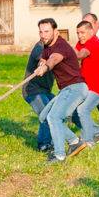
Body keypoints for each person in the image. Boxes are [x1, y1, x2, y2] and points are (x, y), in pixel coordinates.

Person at [32, 18, 87, 163]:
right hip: (65, 90)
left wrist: (45, 67)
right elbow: (45, 58)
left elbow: (54, 59)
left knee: (54, 118)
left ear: (56, 31)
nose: (43, 35)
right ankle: (75, 142)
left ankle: (59, 155)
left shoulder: (60, 46)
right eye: (41, 32)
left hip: (75, 87)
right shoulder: (47, 45)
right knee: (44, 117)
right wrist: (40, 64)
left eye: (47, 31)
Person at [73, 20, 99, 148]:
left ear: (91, 31)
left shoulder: (94, 43)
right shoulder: (82, 42)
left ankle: (88, 142)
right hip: (87, 85)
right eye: (78, 33)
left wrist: (65, 50)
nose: (80, 36)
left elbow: (79, 55)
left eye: (82, 32)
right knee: (74, 111)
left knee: (82, 110)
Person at [23, 34, 56, 152]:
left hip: (46, 91)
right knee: (47, 115)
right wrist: (43, 64)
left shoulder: (57, 49)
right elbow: (41, 58)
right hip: (33, 90)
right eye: (42, 32)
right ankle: (44, 144)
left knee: (58, 112)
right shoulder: (40, 47)